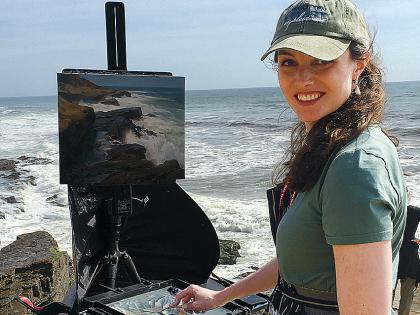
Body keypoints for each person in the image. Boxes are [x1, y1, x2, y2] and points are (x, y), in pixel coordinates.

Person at [171, 0, 407, 313]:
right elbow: (301, 260)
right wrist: (219, 296)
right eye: (288, 62)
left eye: (321, 61)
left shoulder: (355, 165)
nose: (302, 79)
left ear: (358, 64)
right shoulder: (331, 145)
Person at [394, 204, 420, 315]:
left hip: (393, 252)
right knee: (406, 296)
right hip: (409, 255)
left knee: (387, 293)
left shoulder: (392, 209)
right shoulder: (415, 210)